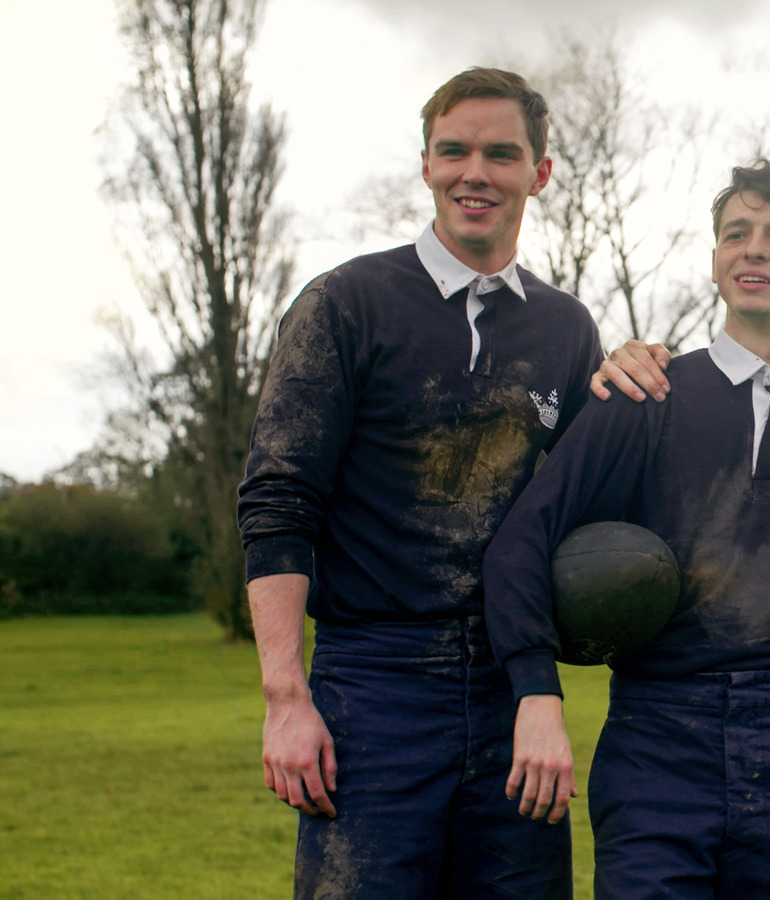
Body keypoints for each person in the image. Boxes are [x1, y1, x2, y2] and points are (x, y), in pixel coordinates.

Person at [483, 160, 770, 900]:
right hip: (659, 740)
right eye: (736, 234)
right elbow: (521, 542)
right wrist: (536, 692)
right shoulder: (641, 399)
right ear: (716, 261)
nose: (753, 249)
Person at [237, 67, 602, 898]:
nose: (476, 172)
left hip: (512, 694)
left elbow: (602, 504)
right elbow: (279, 499)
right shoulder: (345, 304)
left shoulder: (566, 328)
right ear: (428, 163)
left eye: (501, 154)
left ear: (539, 174)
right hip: (373, 689)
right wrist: (285, 697)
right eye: (455, 151)